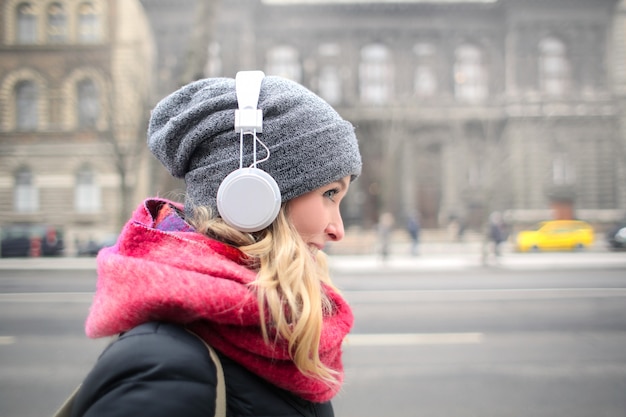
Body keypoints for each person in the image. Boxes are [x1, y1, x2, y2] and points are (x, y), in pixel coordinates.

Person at [69, 72, 362, 416]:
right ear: (250, 195)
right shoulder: (161, 369)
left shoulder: (276, 333)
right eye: (329, 193)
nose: (337, 230)